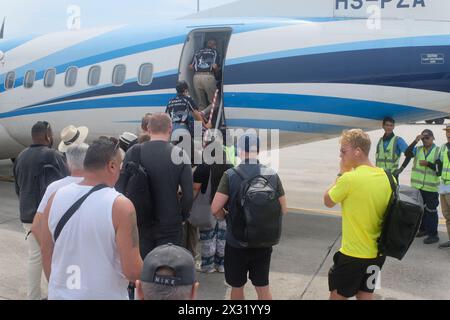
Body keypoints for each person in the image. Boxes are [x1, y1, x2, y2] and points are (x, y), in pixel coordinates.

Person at [40, 138, 143, 299]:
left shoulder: (55, 197)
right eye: (120, 166)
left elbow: (46, 251)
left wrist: (60, 290)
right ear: (111, 166)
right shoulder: (121, 206)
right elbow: (132, 271)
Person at [211, 133, 287, 300]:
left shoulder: (230, 175)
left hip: (237, 242)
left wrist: (224, 216)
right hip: (263, 242)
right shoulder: (272, 175)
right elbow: (283, 208)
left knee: (237, 286)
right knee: (262, 287)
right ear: (258, 151)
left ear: (239, 150)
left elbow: (215, 207)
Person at [324, 129, 390, 300]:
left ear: (358, 151)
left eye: (343, 151)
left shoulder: (349, 179)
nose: (341, 156)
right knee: (366, 294)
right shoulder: (389, 178)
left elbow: (328, 201)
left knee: (337, 296)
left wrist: (341, 172)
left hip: (353, 256)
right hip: (377, 255)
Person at [13, 121, 69, 300]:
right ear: (47, 136)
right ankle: (55, 294)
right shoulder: (53, 155)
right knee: (54, 256)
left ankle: (34, 296)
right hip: (48, 216)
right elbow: (66, 184)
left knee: (35, 257)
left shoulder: (21, 156)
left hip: (27, 215)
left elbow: (18, 187)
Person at [123, 113, 194, 254]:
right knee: (168, 268)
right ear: (170, 129)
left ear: (148, 129)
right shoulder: (180, 154)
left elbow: (121, 188)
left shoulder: (133, 152)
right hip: (170, 222)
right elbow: (188, 195)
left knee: (143, 270)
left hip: (140, 221)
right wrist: (183, 216)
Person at [31, 143, 89, 245]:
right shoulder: (102, 188)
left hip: (60, 257)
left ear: (67, 163)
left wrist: (50, 251)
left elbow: (36, 227)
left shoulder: (54, 187)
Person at [194, 140, 234, 273]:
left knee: (208, 238)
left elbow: (195, 188)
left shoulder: (203, 167)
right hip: (225, 208)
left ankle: (207, 266)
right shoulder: (230, 167)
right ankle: (221, 265)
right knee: (222, 237)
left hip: (207, 208)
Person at [400, 129, 440, 244]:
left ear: (433, 138)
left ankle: (433, 234)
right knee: (420, 210)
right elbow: (407, 153)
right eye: (423, 138)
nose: (425, 140)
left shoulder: (438, 151)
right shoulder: (418, 149)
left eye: (427, 138)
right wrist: (415, 141)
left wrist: (429, 164)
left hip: (431, 187)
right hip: (418, 186)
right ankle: (423, 229)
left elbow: (439, 169)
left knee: (431, 211)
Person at [189, 39, 221, 111]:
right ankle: (203, 113)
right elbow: (215, 66)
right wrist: (217, 72)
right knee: (215, 103)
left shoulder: (197, 52)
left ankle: (200, 121)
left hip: (196, 78)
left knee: (201, 104)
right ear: (214, 45)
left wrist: (199, 68)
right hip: (208, 77)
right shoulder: (214, 52)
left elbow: (190, 67)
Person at [436, 124, 450, 249]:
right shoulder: (443, 148)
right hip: (444, 186)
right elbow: (439, 164)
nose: (448, 134)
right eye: (447, 131)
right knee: (447, 215)